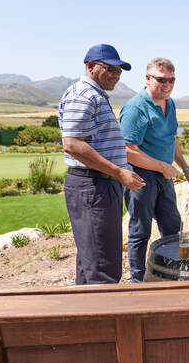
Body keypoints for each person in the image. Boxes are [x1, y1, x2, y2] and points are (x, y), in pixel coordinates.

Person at [58, 44, 145, 285]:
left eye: (119, 70)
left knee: (92, 264)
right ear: (90, 66)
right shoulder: (83, 95)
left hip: (100, 185)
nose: (116, 75)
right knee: (102, 269)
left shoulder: (94, 95)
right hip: (93, 187)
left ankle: (85, 319)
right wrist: (118, 171)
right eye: (110, 69)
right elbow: (73, 144)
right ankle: (105, 320)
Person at [119, 57, 189, 282]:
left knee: (172, 226)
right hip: (140, 175)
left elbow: (170, 139)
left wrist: (186, 167)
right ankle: (138, 281)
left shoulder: (169, 103)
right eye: (162, 80)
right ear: (147, 78)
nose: (167, 85)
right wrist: (162, 166)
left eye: (172, 80)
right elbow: (127, 150)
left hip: (164, 175)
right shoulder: (135, 107)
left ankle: (171, 274)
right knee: (140, 230)